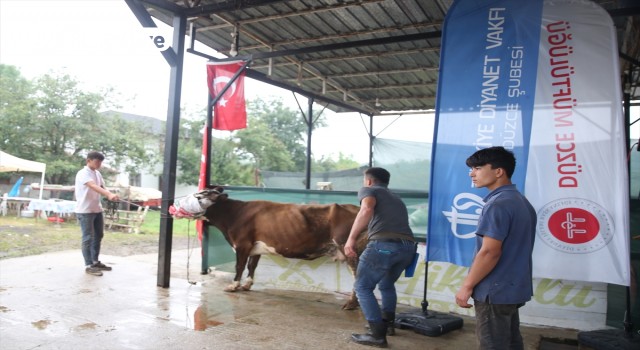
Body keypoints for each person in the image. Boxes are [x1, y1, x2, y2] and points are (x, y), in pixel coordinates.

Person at [454, 146, 537, 349]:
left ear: (499, 171)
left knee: (493, 344)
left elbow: (490, 251)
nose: (472, 173)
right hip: (511, 289)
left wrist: (467, 286)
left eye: (478, 167)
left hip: (494, 290)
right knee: (511, 342)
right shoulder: (521, 201)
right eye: (472, 168)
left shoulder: (498, 205)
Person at [345, 167, 416, 348]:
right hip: (407, 248)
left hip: (384, 246)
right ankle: (388, 325)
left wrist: (351, 239)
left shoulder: (369, 190)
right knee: (386, 284)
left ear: (369, 181)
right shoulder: (397, 198)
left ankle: (377, 335)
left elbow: (366, 209)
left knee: (362, 286)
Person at [74, 151, 120, 276]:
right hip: (85, 210)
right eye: (97, 161)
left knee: (98, 235)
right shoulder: (82, 173)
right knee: (87, 237)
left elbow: (102, 187)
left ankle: (95, 261)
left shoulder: (97, 173)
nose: (99, 164)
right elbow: (93, 186)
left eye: (100, 162)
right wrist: (108, 194)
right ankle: (89, 265)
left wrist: (111, 195)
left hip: (96, 209)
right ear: (88, 160)